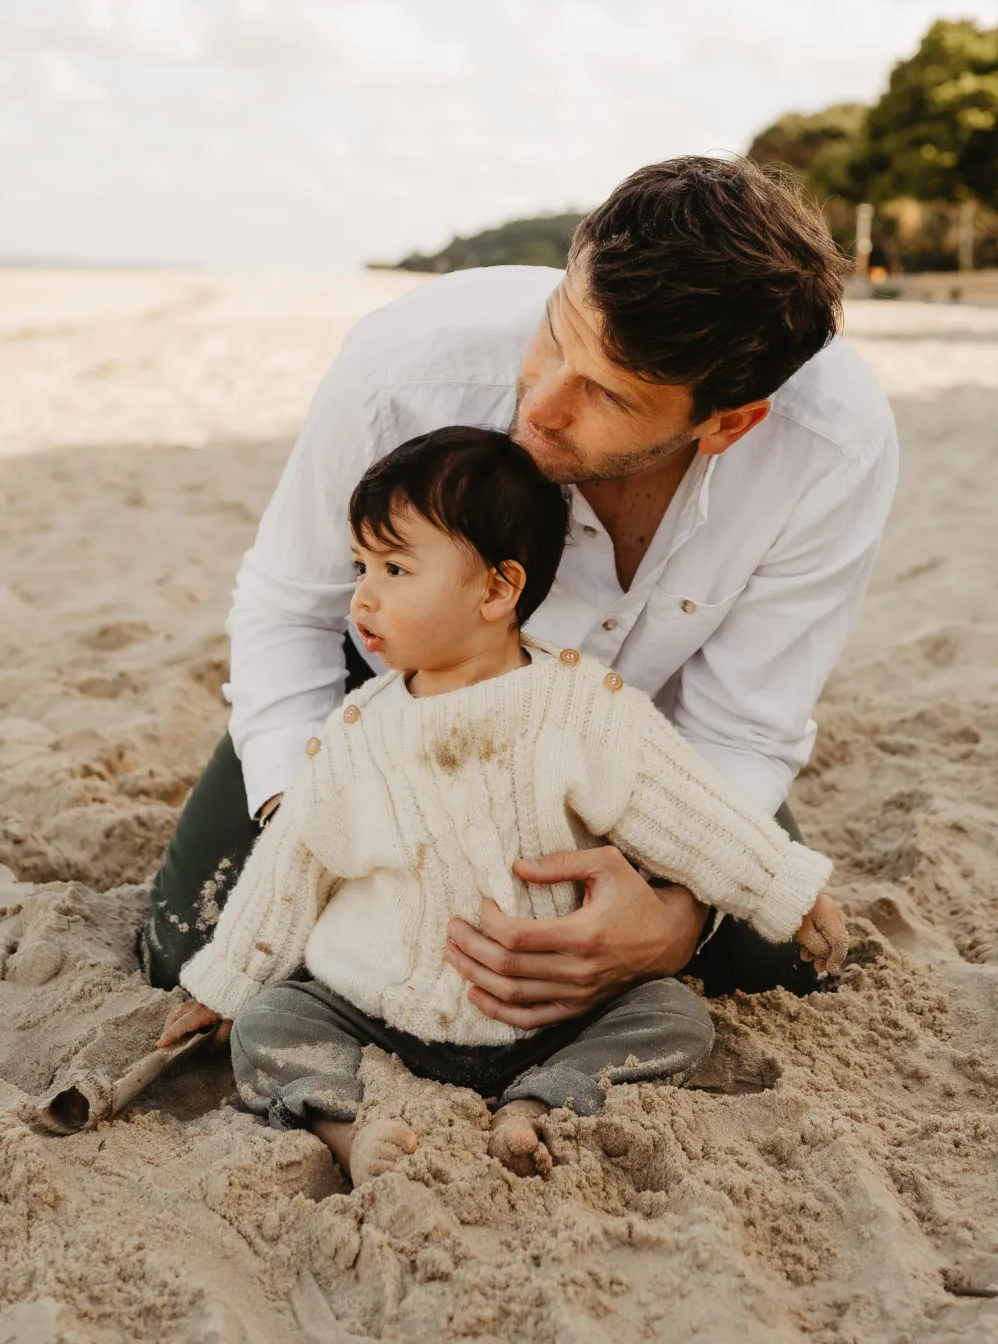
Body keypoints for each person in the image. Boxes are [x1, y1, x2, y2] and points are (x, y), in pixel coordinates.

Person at [143, 153, 897, 1014]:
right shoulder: (406, 372)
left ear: (728, 421)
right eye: (556, 330)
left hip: (629, 746)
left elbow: (742, 730)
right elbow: (290, 609)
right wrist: (309, 825)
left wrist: (670, 922)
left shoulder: (832, 450)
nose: (539, 403)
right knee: (192, 950)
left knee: (773, 969)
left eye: (606, 394)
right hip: (384, 702)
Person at [157, 428, 847, 1185]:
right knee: (273, 1025)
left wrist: (784, 888)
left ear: (495, 589)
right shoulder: (358, 732)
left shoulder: (579, 707)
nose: (363, 594)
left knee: (672, 1017)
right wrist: (224, 984)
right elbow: (292, 867)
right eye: (360, 566)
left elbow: (687, 813)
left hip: (555, 1010)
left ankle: (539, 1107)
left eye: (395, 568)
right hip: (387, 1006)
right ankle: (348, 1129)